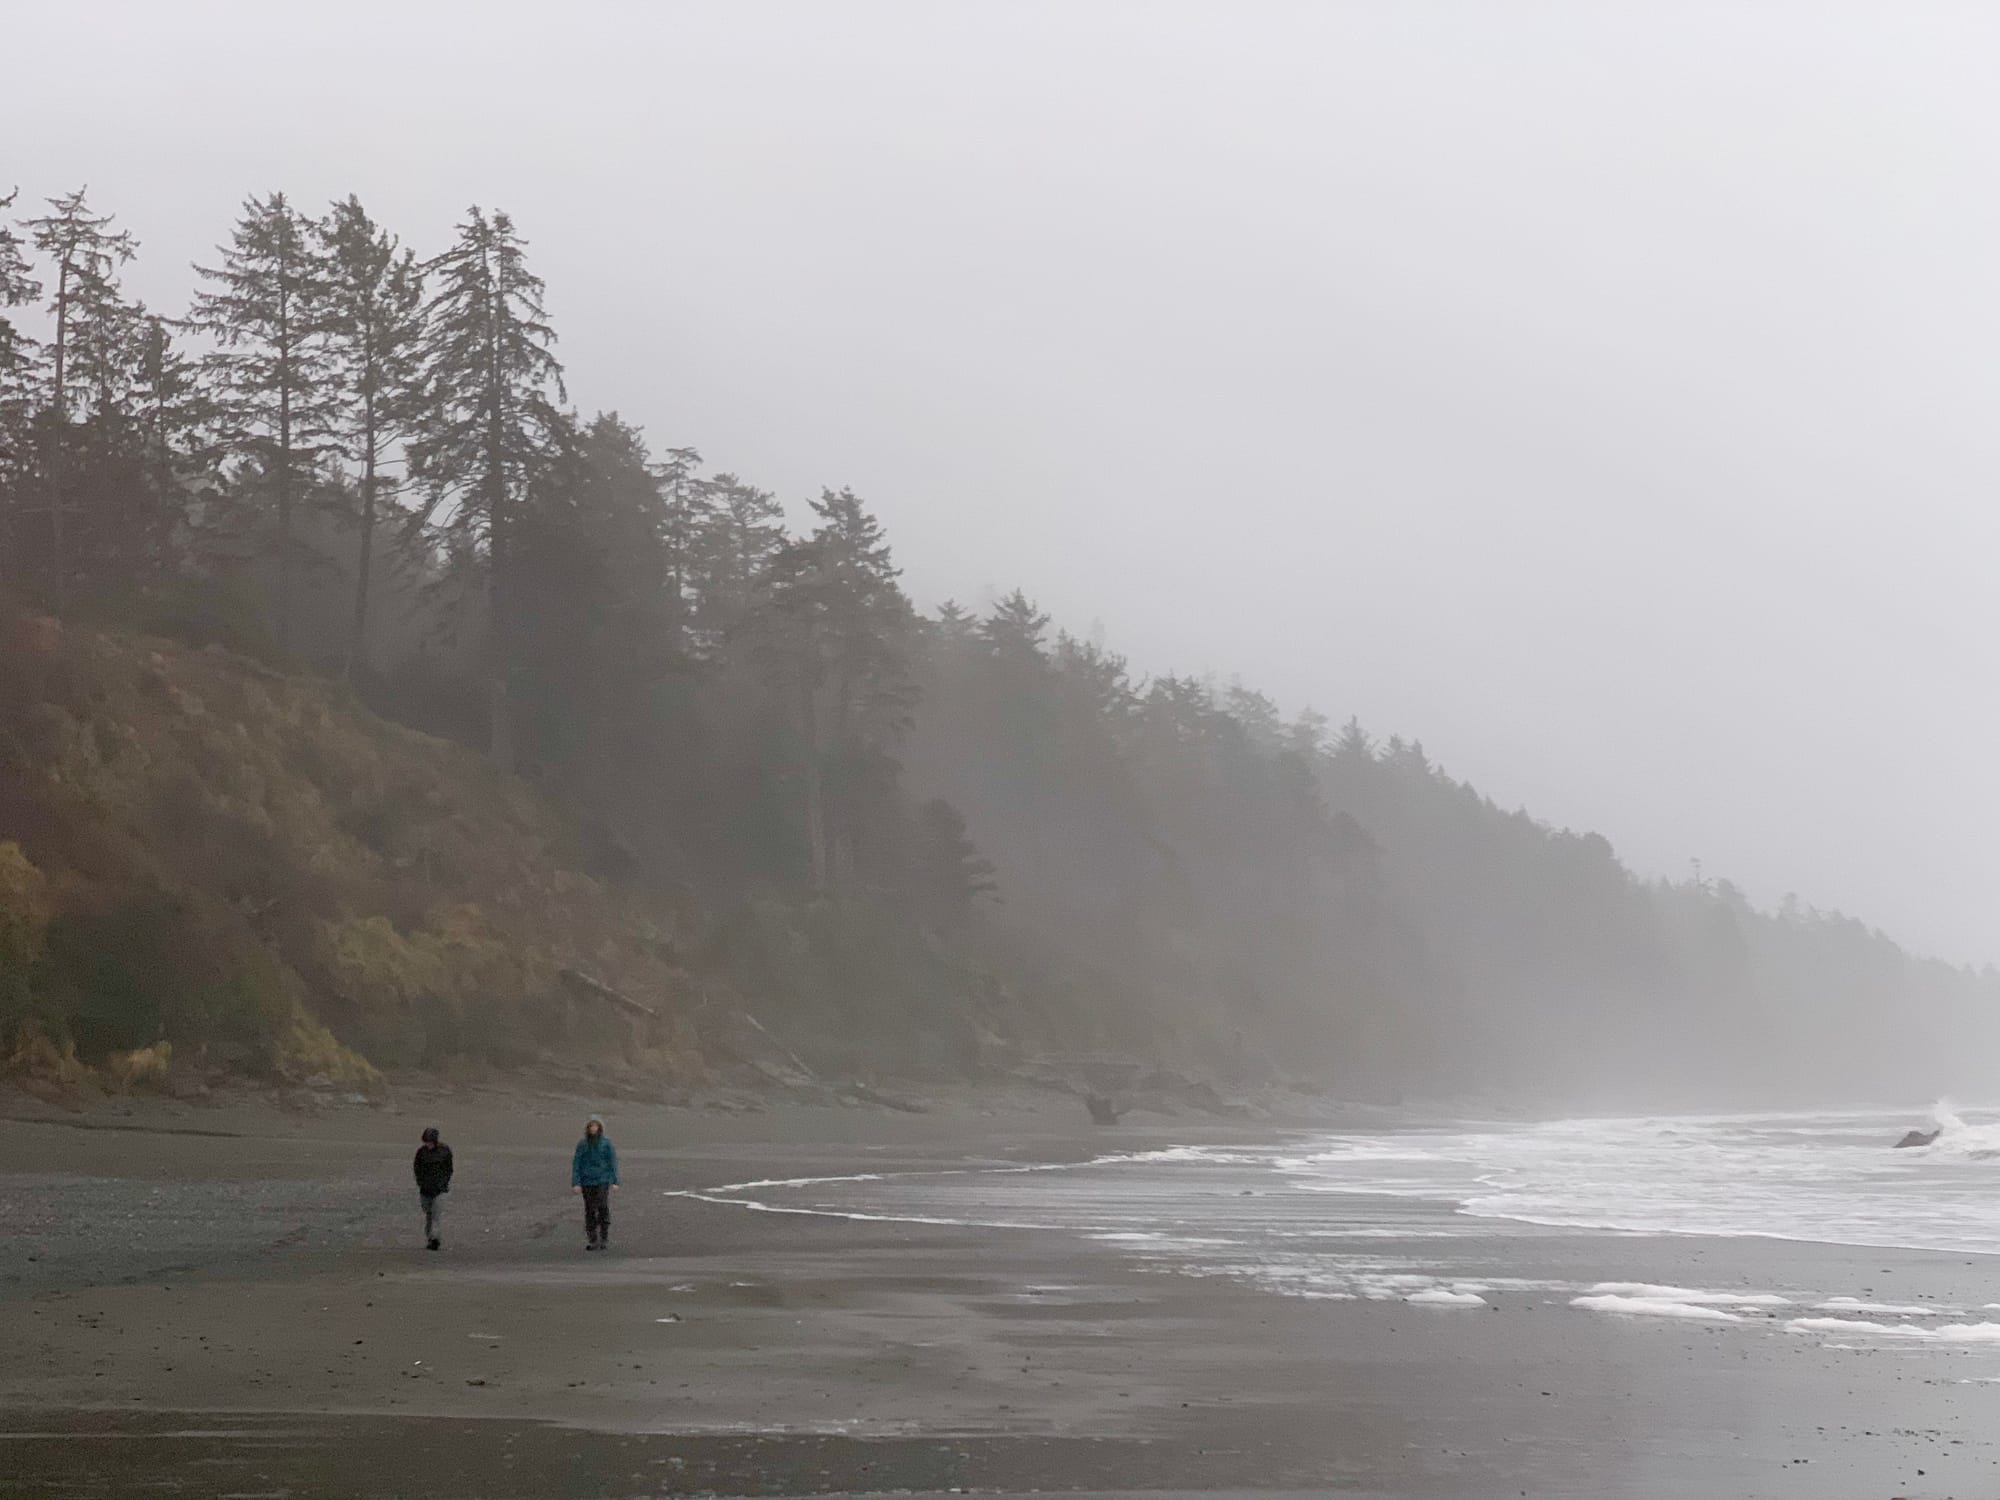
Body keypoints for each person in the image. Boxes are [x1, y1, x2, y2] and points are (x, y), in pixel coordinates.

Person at [571, 1114, 619, 1251]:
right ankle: (593, 1239)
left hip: (602, 1179)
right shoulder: (582, 1144)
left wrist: (614, 1180)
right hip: (587, 1181)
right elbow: (577, 1163)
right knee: (590, 1210)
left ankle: (604, 1237)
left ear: (600, 1127)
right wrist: (576, 1182)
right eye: (591, 1126)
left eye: (596, 1125)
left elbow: (612, 1162)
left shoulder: (606, 1144)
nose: (593, 1128)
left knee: (602, 1206)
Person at [412, 1126, 453, 1251]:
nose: (427, 1144)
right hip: (425, 1189)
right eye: (426, 1142)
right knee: (429, 1214)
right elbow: (417, 1168)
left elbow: (449, 1169)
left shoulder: (444, 1151)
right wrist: (421, 1183)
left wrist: (444, 1183)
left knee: (436, 1214)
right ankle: (431, 1237)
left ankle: (435, 1238)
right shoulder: (421, 1153)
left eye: (429, 1142)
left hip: (439, 1189)